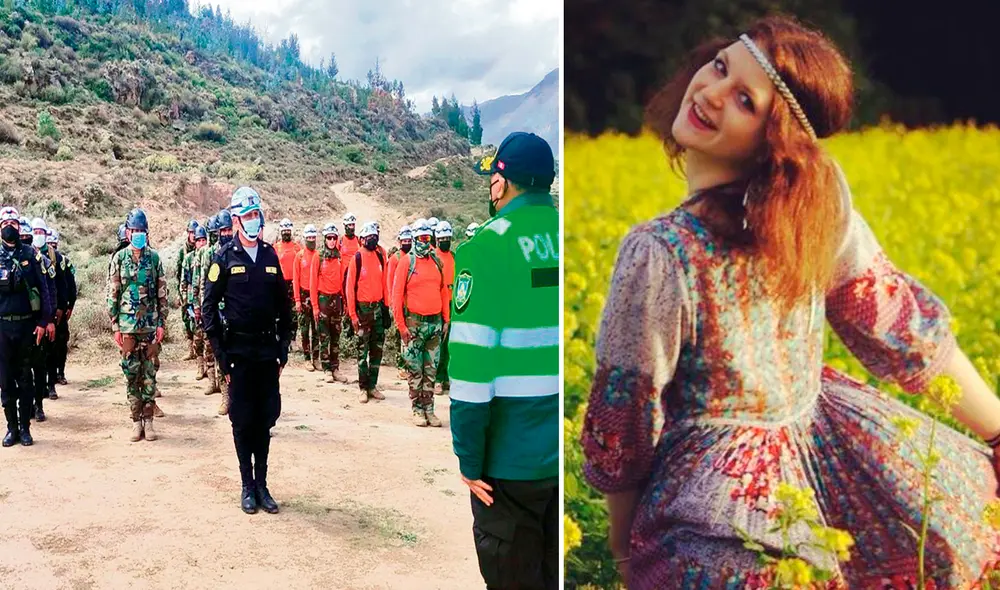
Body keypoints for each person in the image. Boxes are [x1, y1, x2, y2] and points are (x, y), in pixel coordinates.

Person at [580, 16, 1000, 588]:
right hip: (820, 475)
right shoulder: (816, 213)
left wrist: (623, 548)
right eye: (720, 66)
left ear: (772, 140)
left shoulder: (660, 252)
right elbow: (900, 325)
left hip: (710, 507)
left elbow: (624, 424)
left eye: (745, 101)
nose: (710, 93)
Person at [451, 130, 559, 589]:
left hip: (509, 464)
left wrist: (469, 462)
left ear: (502, 181)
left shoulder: (487, 248)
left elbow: (473, 375)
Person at [202, 186, 292, 515]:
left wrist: (283, 348)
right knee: (242, 421)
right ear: (237, 219)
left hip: (267, 352)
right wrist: (220, 354)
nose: (255, 220)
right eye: (248, 215)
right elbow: (208, 309)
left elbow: (286, 307)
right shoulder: (224, 257)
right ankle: (246, 486)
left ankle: (263, 486)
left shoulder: (270, 256)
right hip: (237, 353)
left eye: (258, 214)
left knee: (265, 419)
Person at [108, 208, 167, 443]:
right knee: (132, 375)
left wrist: (162, 322)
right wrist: (114, 324)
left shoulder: (154, 259)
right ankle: (135, 422)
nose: (138, 234)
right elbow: (113, 292)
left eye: (142, 231)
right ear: (128, 232)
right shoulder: (119, 258)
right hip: (128, 327)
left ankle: (149, 421)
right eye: (135, 230)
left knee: (149, 376)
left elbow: (162, 293)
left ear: (146, 233)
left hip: (150, 327)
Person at [0, 208, 53, 447]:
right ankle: (11, 428)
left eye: (13, 222)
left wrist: (44, 321)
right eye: (5, 222)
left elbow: (44, 289)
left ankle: (25, 429)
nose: (9, 226)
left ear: (19, 227)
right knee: (6, 380)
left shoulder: (31, 255)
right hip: (2, 328)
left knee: (25, 379)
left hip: (26, 327)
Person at [391, 220, 449, 427]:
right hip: (414, 325)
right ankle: (417, 410)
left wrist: (446, 319)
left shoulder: (436, 261)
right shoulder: (407, 262)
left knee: (431, 370)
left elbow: (443, 290)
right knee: (415, 370)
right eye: (422, 239)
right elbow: (396, 295)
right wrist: (401, 327)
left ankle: (429, 409)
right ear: (415, 239)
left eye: (428, 238)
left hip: (434, 324)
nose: (426, 242)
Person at [345, 221, 389, 404]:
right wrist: (353, 315)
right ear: (362, 239)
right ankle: (363, 388)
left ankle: (373, 385)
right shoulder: (357, 258)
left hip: (377, 309)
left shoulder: (380, 257)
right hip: (362, 311)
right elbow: (349, 289)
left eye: (374, 236)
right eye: (368, 236)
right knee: (362, 351)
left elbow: (385, 284)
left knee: (377, 349)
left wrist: (386, 308)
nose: (372, 239)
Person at [19, 217, 56, 424]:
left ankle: (39, 405)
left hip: (38, 322)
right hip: (18, 324)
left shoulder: (41, 260)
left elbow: (49, 292)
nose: (23, 240)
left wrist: (48, 319)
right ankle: (24, 408)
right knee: (21, 369)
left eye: (27, 237)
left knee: (39, 366)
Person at [32, 218, 67, 401]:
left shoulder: (55, 257)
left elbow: (60, 286)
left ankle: (51, 384)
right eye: (35, 232)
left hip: (52, 312)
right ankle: (38, 391)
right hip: (33, 315)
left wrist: (60, 308)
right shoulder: (28, 255)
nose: (38, 236)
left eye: (41, 232)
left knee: (51, 350)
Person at [310, 223, 346, 383]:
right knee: (324, 336)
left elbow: (343, 279)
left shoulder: (339, 256)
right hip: (323, 299)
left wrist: (344, 301)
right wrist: (315, 306)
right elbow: (312, 283)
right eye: (329, 238)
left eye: (334, 238)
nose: (332, 241)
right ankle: (326, 369)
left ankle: (335, 367)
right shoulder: (319, 257)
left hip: (336, 300)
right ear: (325, 239)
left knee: (336, 336)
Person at [46, 229, 75, 387]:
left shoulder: (64, 261)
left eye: (53, 243)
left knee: (61, 343)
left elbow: (69, 286)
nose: (51, 246)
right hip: (47, 311)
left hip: (61, 309)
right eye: (49, 243)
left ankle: (60, 372)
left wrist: (69, 306)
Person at [386, 225, 413, 379]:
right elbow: (390, 282)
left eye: (409, 240)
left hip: (410, 302)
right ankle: (401, 365)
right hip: (399, 301)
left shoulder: (413, 257)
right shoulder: (395, 258)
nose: (407, 243)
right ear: (399, 241)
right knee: (400, 334)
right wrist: (392, 303)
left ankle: (410, 364)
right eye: (404, 240)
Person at [432, 221, 455, 396]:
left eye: (448, 238)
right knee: (439, 344)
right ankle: (437, 379)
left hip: (454, 304)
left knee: (450, 344)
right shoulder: (433, 257)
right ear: (437, 239)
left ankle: (447, 377)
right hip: (438, 304)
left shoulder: (454, 256)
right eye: (442, 238)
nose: (445, 241)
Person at [293, 224, 320, 370]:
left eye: (313, 237)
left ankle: (316, 358)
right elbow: (295, 279)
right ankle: (306, 358)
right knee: (304, 328)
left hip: (315, 294)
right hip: (303, 295)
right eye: (308, 237)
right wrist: (297, 300)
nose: (311, 240)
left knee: (316, 328)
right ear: (304, 239)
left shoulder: (318, 255)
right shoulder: (300, 256)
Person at [274, 218, 301, 344]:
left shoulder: (297, 247)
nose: (286, 233)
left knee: (293, 312)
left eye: (288, 230)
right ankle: (281, 336)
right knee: (280, 310)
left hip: (294, 283)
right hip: (280, 283)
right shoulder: (276, 247)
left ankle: (293, 338)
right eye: (284, 230)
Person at [178, 219, 200, 361]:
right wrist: (181, 293)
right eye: (191, 232)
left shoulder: (202, 248)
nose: (192, 235)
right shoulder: (183, 251)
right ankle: (190, 348)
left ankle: (198, 349)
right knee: (186, 318)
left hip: (197, 291)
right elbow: (179, 273)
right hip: (186, 289)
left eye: (194, 232)